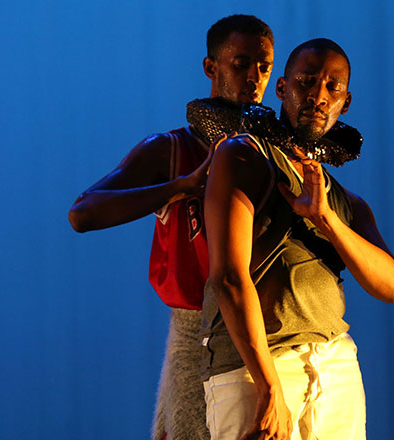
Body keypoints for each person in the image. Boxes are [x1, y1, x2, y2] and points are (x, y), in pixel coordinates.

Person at [67, 15, 274, 440]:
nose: (254, 77)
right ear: (210, 67)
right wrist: (179, 186)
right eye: (241, 63)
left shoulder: (269, 151)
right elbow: (83, 213)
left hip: (266, 325)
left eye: (265, 66)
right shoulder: (172, 148)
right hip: (197, 328)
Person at [200, 38, 394, 440]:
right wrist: (269, 386)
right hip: (258, 367)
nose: (318, 95)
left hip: (334, 362)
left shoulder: (344, 202)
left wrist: (326, 219)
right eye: (306, 82)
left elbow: (392, 287)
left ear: (345, 103)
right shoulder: (244, 155)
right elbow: (228, 276)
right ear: (282, 88)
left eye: (333, 87)